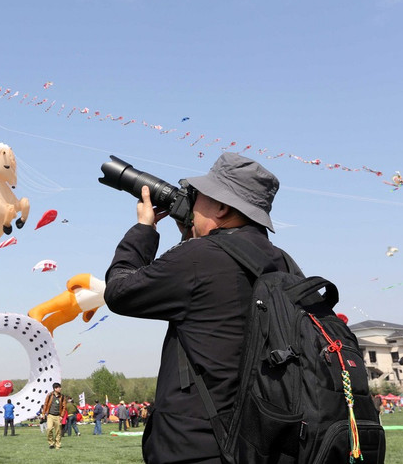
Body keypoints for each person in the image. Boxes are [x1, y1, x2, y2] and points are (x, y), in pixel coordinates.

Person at [105, 152, 292, 464]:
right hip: (264, 444)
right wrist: (190, 238)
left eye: (199, 196)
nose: (192, 204)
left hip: (198, 447)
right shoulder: (284, 263)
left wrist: (144, 229)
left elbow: (119, 291)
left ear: (221, 206)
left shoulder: (199, 258)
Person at [40, 382, 66, 450]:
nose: (60, 388)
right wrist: (43, 413)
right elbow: (45, 404)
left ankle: (58, 445)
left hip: (58, 416)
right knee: (49, 429)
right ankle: (51, 443)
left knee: (58, 432)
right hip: (50, 415)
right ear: (55, 388)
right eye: (59, 387)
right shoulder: (49, 395)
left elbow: (64, 407)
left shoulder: (62, 397)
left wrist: (61, 416)